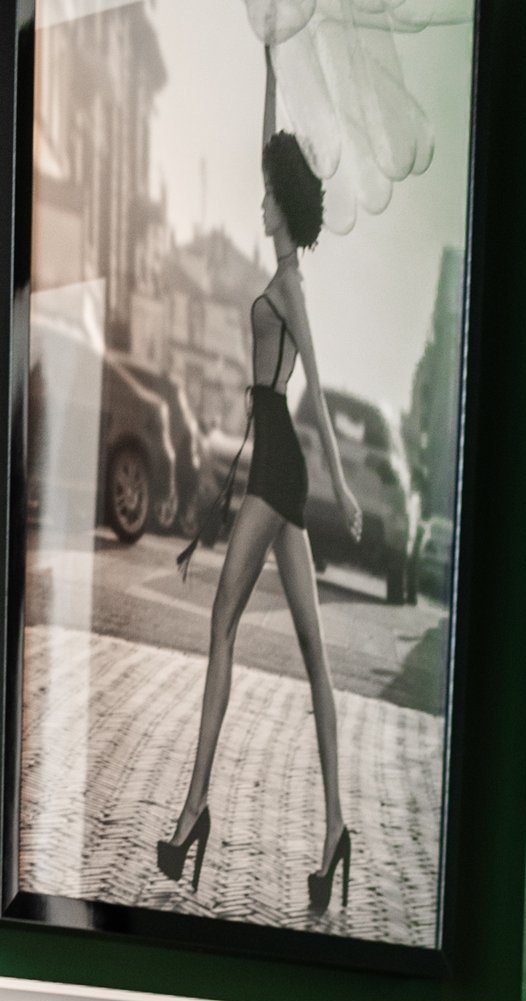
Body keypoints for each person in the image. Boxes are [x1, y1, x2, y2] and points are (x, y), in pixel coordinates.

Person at [158, 55, 363, 921]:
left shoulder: (288, 286)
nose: (260, 201)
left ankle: (192, 809)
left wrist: (345, 493)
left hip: (281, 464)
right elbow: (265, 145)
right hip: (279, 460)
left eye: (269, 194)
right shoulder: (283, 272)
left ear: (284, 204)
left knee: (221, 626)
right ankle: (336, 832)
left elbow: (315, 385)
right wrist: (273, 63)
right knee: (313, 654)